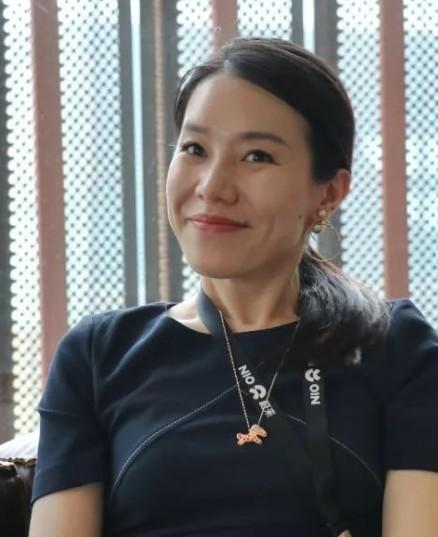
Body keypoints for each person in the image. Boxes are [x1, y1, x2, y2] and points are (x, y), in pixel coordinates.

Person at [29, 37, 438, 537]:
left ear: (329, 192)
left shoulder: (394, 345)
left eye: (256, 156)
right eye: (195, 149)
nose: (212, 186)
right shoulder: (99, 355)